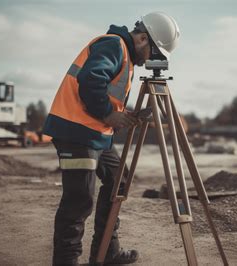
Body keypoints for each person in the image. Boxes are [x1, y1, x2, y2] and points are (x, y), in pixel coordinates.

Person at [43, 12, 180, 265]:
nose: (152, 61)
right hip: (76, 133)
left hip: (94, 133)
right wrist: (108, 114)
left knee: (119, 180)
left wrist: (126, 115)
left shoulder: (125, 55)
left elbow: (106, 94)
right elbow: (91, 80)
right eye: (155, 54)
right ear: (141, 39)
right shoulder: (114, 44)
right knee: (79, 200)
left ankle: (107, 251)